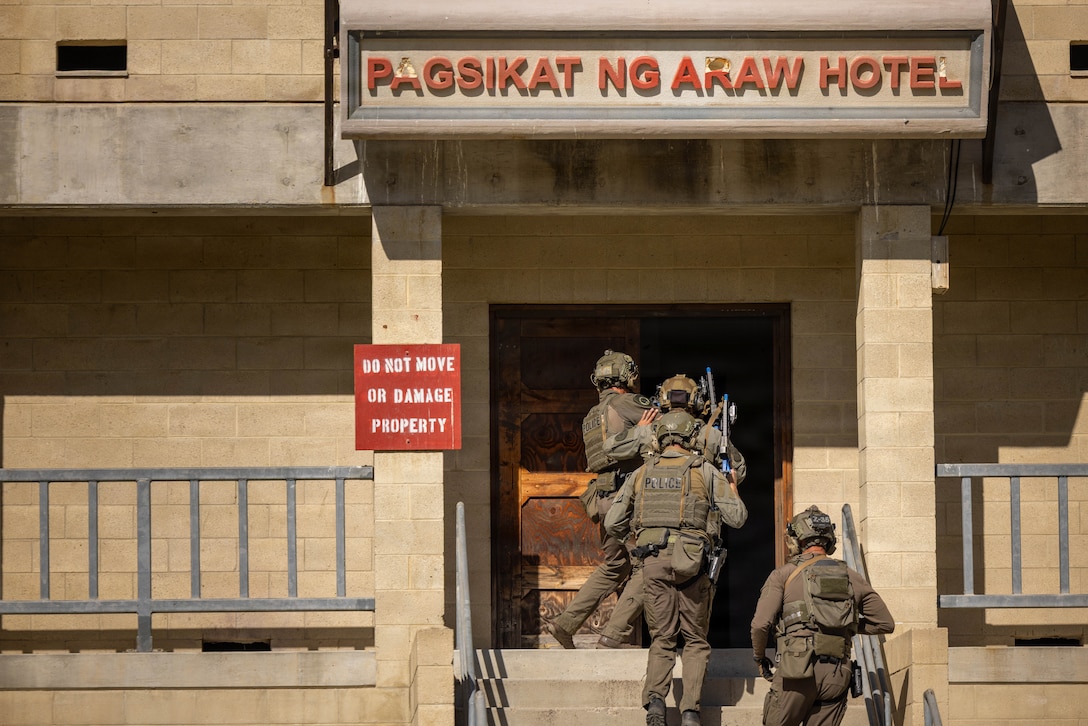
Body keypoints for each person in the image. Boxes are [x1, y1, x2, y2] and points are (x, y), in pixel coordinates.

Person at [604, 409, 748, 726]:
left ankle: (655, 702)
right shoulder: (706, 471)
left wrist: (637, 534)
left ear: (661, 437)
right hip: (694, 563)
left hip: (652, 563)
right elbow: (737, 517)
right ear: (691, 438)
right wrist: (732, 486)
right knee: (695, 640)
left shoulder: (642, 472)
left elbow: (612, 522)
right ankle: (690, 711)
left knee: (663, 638)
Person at [548, 350, 658, 649]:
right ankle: (613, 635)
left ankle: (564, 623)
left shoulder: (591, 415)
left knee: (615, 565)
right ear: (628, 376)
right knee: (650, 565)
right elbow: (669, 428)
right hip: (629, 499)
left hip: (604, 498)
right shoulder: (628, 403)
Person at [750, 506, 896, 726]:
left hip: (796, 670)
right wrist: (849, 625)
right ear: (829, 539)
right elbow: (885, 623)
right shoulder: (852, 576)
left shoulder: (783, 575)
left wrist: (760, 658)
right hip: (837, 673)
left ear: (797, 539)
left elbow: (760, 625)